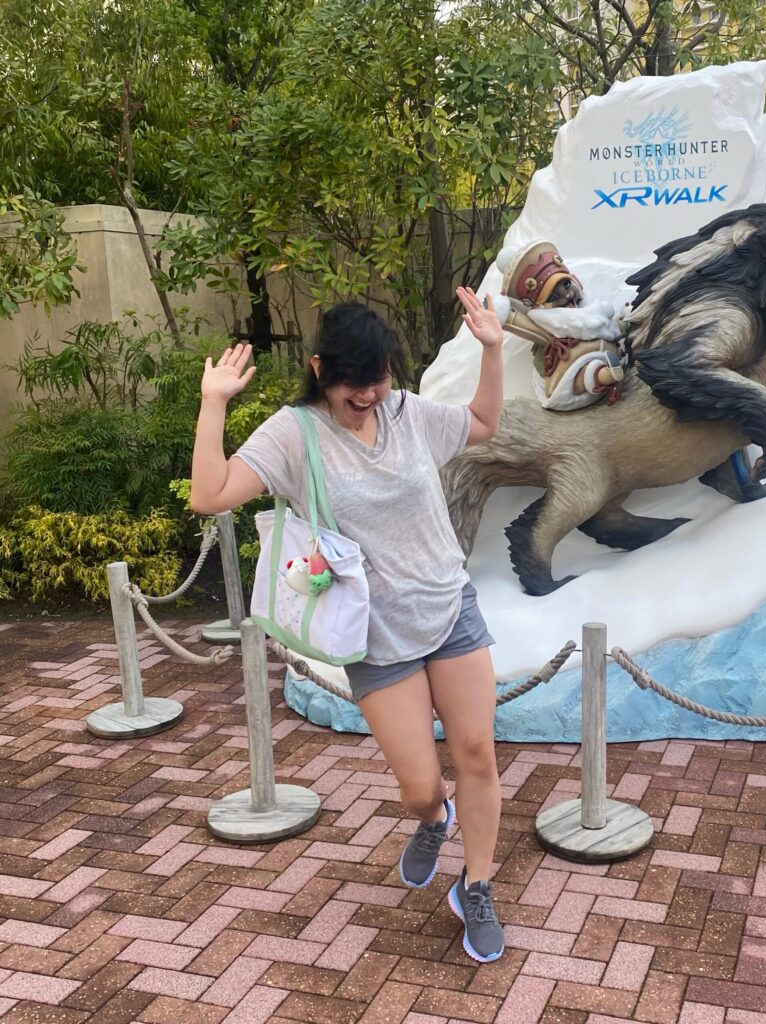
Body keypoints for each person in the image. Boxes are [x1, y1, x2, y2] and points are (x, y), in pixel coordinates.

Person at [190, 287, 507, 963]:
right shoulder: (294, 434)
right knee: (421, 785)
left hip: (449, 608)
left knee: (478, 754)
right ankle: (432, 820)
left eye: (378, 380)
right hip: (375, 635)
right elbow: (207, 494)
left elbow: (482, 423)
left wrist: (492, 348)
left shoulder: (406, 412)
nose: (367, 397)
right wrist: (213, 403)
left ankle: (477, 885)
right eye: (352, 387)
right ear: (318, 370)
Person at [491, 239, 626, 410]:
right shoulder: (549, 324)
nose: (567, 295)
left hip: (605, 350)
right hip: (573, 367)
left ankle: (611, 366)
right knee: (579, 370)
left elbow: (606, 325)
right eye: (553, 298)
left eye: (566, 284)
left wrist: (622, 324)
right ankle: (604, 376)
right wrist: (504, 314)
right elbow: (516, 322)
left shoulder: (593, 308)